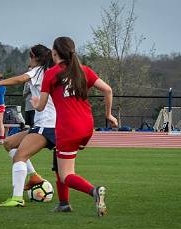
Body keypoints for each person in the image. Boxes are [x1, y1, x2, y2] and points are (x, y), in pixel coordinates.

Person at [31, 37, 118, 216]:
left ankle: (94, 191)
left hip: (68, 128)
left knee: (66, 175)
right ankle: (64, 204)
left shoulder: (51, 74)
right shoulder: (83, 70)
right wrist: (108, 115)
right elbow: (108, 90)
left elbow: (41, 106)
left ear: (55, 53)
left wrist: (34, 103)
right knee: (61, 158)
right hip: (86, 126)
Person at [0, 44, 55, 207]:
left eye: (30, 56)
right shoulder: (46, 72)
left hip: (48, 124)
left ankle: (17, 198)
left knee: (20, 156)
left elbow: (19, 79)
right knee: (9, 143)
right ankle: (33, 177)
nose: (29, 60)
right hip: (44, 123)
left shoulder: (38, 71)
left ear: (35, 58)